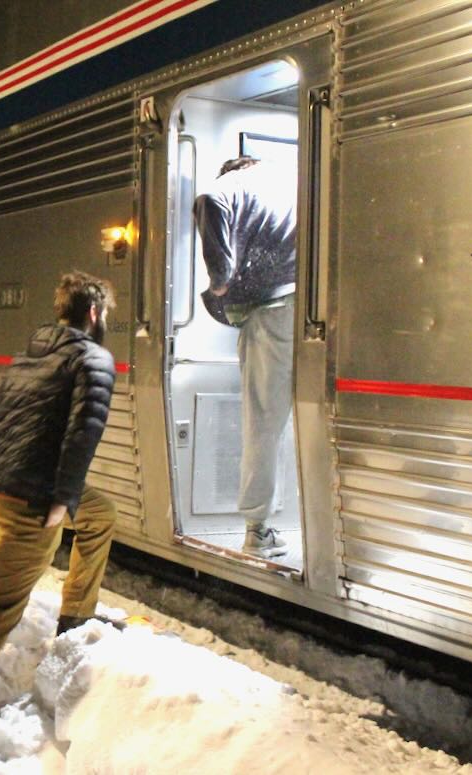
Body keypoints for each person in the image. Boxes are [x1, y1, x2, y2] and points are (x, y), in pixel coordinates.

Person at [0, 271, 120, 749]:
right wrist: (61, 499)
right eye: (106, 313)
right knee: (3, 608)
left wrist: (11, 484)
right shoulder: (93, 357)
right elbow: (83, 431)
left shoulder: (26, 357)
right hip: (33, 497)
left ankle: (76, 616)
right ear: (93, 314)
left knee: (100, 515)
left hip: (8, 486)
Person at [193, 156, 296, 559]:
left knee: (263, 419)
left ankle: (257, 528)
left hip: (272, 314)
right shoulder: (290, 183)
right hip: (309, 306)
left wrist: (220, 280)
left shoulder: (225, 190)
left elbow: (209, 201)